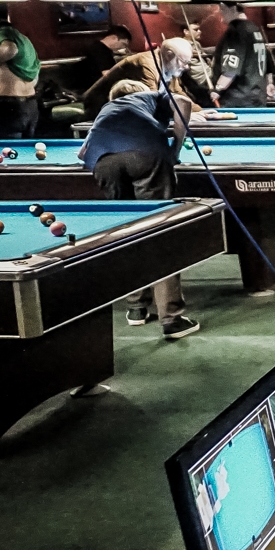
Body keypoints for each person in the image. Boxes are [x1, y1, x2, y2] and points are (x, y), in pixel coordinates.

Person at [78, 79, 200, 339]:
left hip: (103, 161)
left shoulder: (109, 108)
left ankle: (136, 308)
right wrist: (175, 148)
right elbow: (184, 102)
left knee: (127, 231)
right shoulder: (151, 96)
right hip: (146, 153)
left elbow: (82, 153)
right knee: (159, 231)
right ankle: (171, 319)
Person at [81, 38, 196, 119]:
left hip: (127, 111)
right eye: (184, 62)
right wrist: (186, 115)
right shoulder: (148, 65)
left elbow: (178, 93)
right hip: (100, 107)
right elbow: (152, 101)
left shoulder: (171, 66)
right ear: (169, 55)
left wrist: (199, 112)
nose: (186, 67)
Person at [0, 4, 41, 139]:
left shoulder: (0, 33)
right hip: (30, 105)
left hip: (9, 108)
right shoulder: (23, 39)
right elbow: (35, 74)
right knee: (26, 151)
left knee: (6, 150)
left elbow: (10, 48)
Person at [212, 2, 272, 107]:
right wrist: (270, 83)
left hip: (238, 99)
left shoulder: (236, 31)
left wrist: (217, 90)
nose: (220, 13)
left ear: (233, 8)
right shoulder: (255, 29)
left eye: (222, 9)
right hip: (258, 96)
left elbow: (230, 70)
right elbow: (268, 65)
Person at [79, 24, 132, 95]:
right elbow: (107, 75)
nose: (122, 48)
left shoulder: (96, 46)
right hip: (93, 91)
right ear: (114, 38)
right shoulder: (101, 51)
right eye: (123, 44)